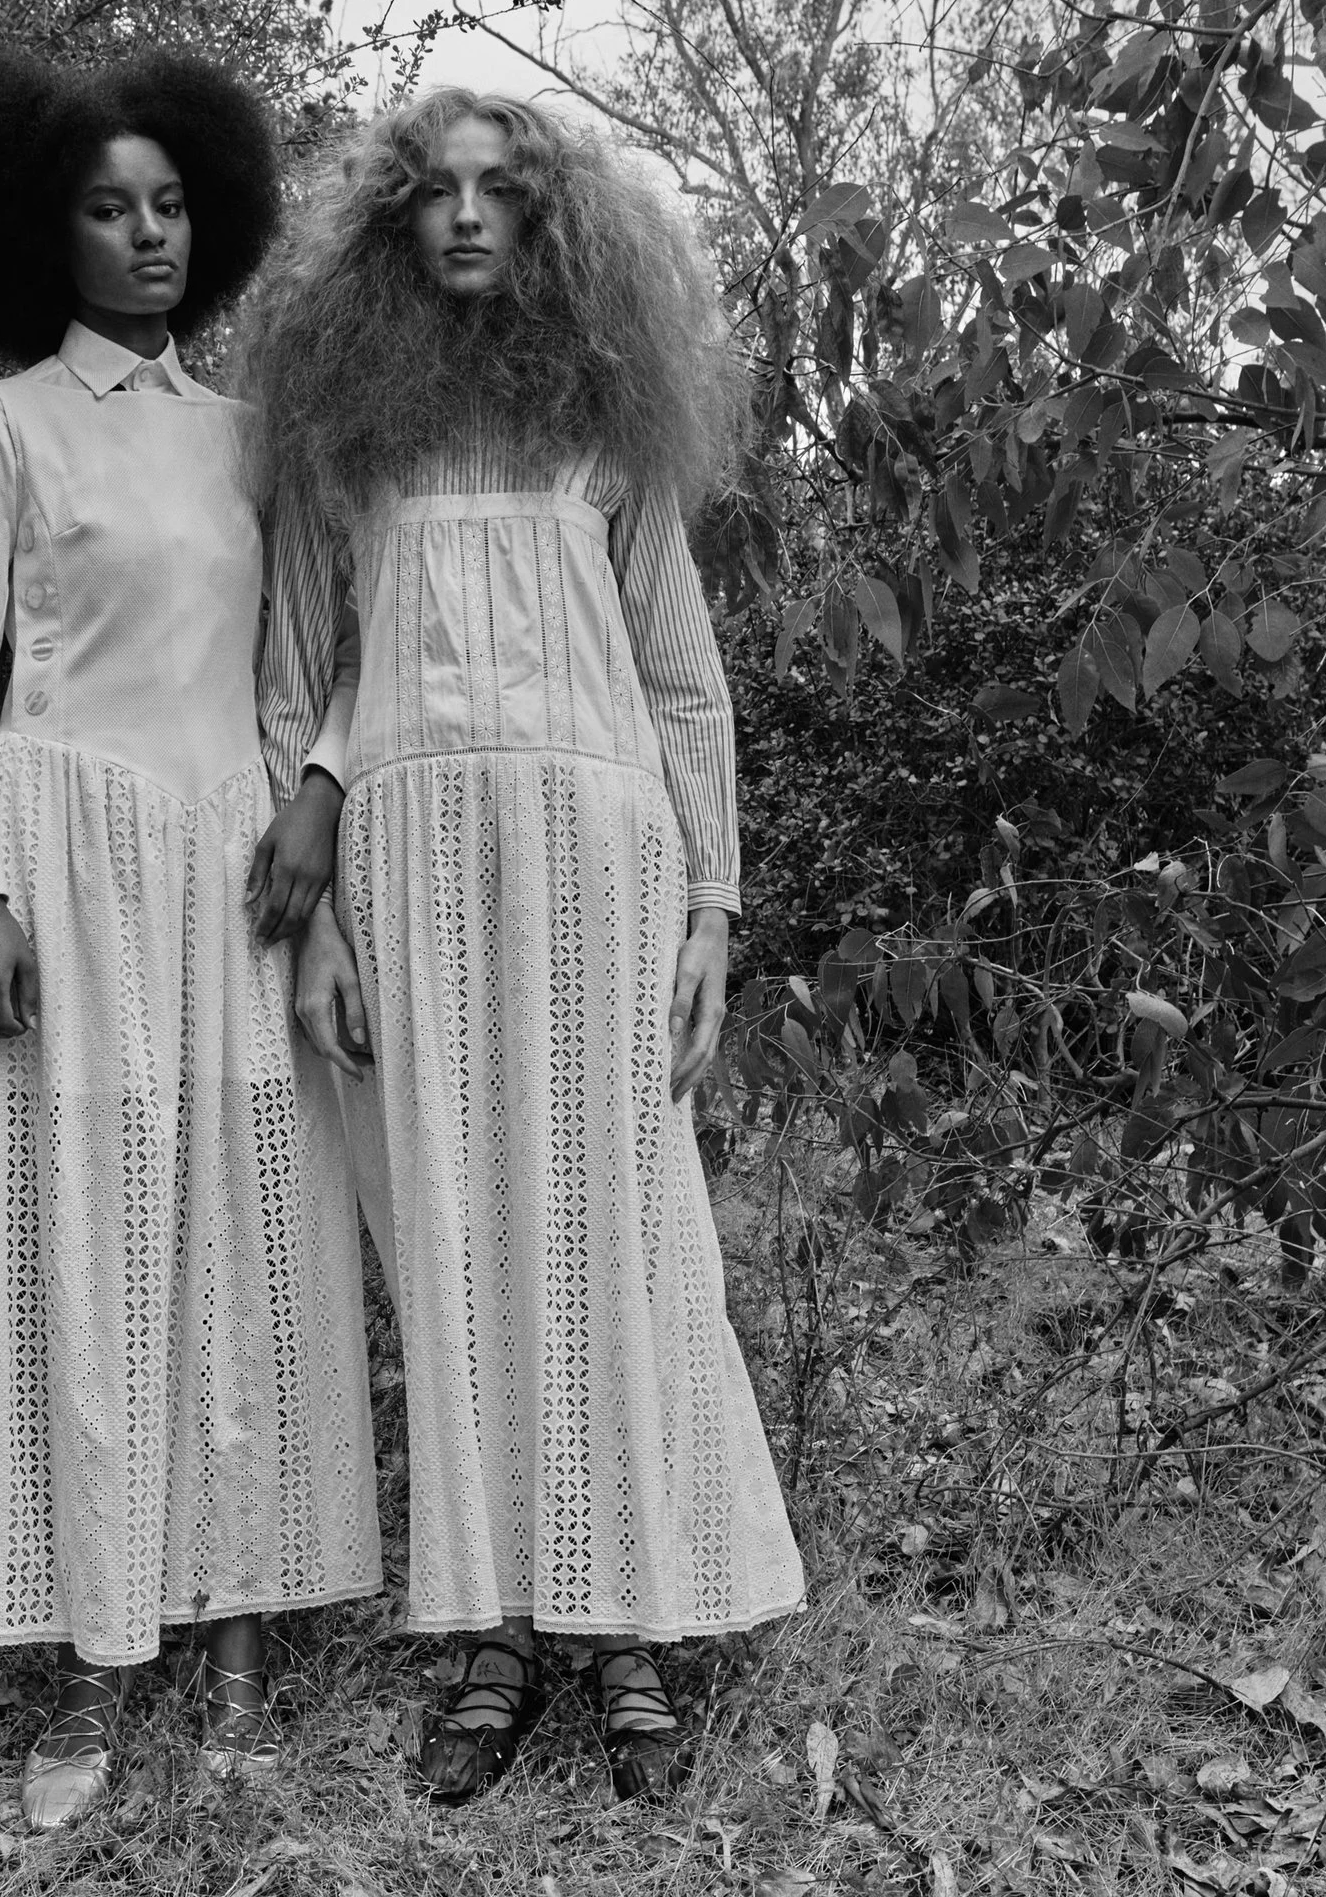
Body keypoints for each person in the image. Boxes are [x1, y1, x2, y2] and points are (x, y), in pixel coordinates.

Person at [240, 87, 805, 1805]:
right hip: (413, 875)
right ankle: (494, 1631)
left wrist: (712, 907)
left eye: (504, 193)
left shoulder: (605, 433)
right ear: (390, 223)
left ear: (553, 225)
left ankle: (629, 1626)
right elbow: (295, 689)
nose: (470, 217)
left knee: (619, 1236)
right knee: (456, 1239)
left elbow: (681, 675)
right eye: (437, 192)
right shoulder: (351, 440)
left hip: (600, 861)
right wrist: (321, 919)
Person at [0, 49, 379, 1832]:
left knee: (244, 1227)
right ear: (46, 231)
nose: (148, 235)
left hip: (228, 871)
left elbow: (321, 652)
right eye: (109, 208)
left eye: (172, 203)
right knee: (83, 1242)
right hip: (67, 867)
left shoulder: (247, 430)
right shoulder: (1, 430)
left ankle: (242, 1620)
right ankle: (99, 1643)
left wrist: (318, 800)